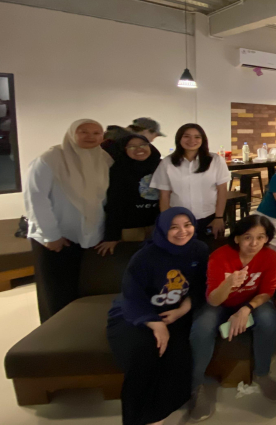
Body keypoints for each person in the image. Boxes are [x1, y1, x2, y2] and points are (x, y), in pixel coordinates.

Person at [107, 207, 208, 425]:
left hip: (177, 314)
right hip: (138, 315)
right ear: (162, 229)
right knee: (144, 352)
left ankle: (156, 416)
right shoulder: (145, 257)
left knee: (178, 357)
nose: (182, 232)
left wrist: (182, 309)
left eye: (187, 225)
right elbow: (131, 295)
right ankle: (137, 419)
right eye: (174, 227)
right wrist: (155, 324)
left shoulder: (199, 250)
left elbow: (202, 286)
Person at [189, 214, 276, 420]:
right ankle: (196, 385)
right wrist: (229, 283)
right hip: (220, 302)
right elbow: (213, 300)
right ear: (237, 238)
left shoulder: (270, 257)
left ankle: (262, 373)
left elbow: (268, 291)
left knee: (268, 319)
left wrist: (246, 309)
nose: (254, 243)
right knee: (202, 327)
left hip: (251, 302)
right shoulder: (220, 257)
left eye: (261, 237)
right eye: (248, 237)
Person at [25, 119, 113, 321]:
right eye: (84, 132)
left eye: (96, 133)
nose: (91, 137)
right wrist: (51, 235)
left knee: (83, 289)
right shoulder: (50, 159)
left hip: (90, 237)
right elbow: (36, 199)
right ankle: (54, 337)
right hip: (56, 240)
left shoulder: (104, 159)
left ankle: (79, 331)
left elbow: (103, 199)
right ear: (72, 133)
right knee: (56, 295)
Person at [151, 124, 230, 241]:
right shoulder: (167, 163)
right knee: (181, 255)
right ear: (179, 139)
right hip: (179, 221)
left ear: (203, 140)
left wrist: (219, 217)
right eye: (186, 136)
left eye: (197, 137)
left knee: (208, 253)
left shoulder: (215, 160)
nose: (192, 140)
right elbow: (164, 195)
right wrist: (167, 221)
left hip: (209, 217)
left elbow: (222, 190)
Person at [103, 134, 161, 251]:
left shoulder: (162, 166)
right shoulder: (118, 170)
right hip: (131, 227)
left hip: (158, 225)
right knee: (131, 259)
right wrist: (111, 236)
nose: (139, 149)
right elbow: (114, 203)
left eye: (143, 145)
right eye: (131, 146)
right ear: (124, 149)